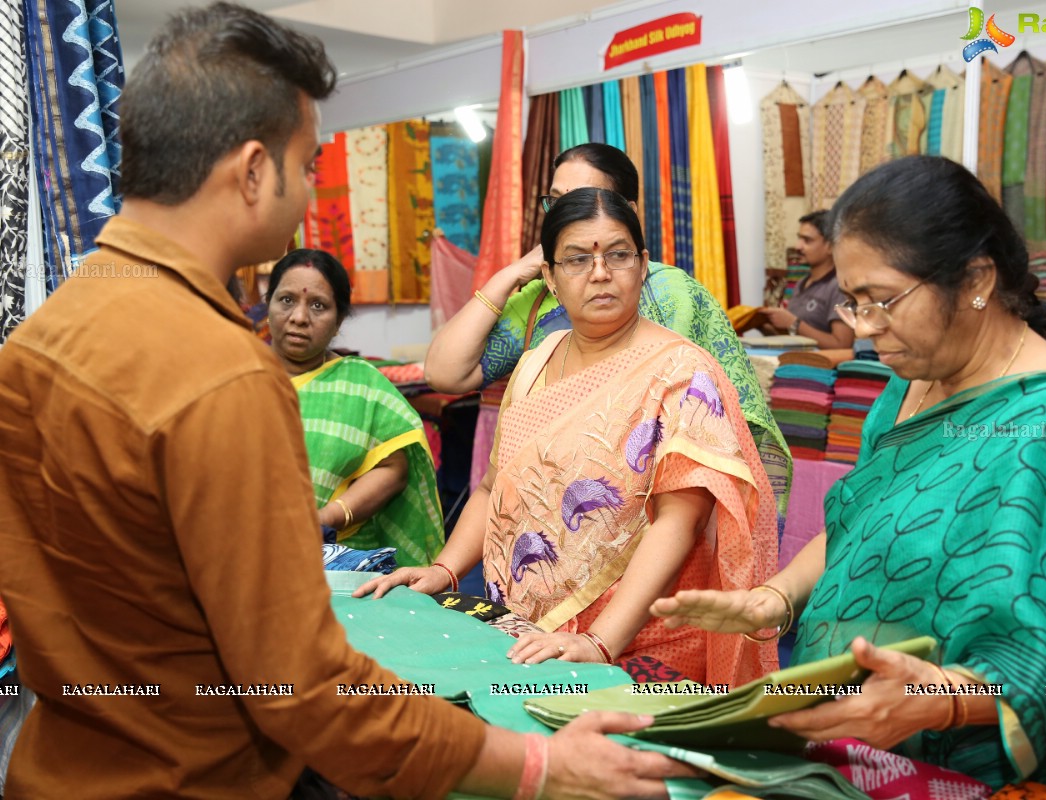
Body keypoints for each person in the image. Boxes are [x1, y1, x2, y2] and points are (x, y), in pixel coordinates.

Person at [0, 4, 692, 798]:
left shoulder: (43, 334)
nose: (306, 193)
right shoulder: (221, 375)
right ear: (253, 170)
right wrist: (538, 766)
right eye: (306, 165)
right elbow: (305, 690)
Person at [651, 156, 1046, 798]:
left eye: (883, 301)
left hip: (976, 771)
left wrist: (943, 703)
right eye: (853, 303)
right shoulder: (910, 388)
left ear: (977, 280)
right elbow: (861, 528)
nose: (866, 330)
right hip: (855, 744)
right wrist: (774, 598)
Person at [359, 188, 780, 686]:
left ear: (643, 265)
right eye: (577, 259)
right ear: (551, 279)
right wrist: (445, 570)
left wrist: (600, 641)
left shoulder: (681, 372)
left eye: (618, 255)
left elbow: (678, 524)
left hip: (637, 642)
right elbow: (496, 487)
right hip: (523, 634)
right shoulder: (538, 358)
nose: (600, 273)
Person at [424, 143, 793, 531]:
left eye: (583, 199)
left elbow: (696, 426)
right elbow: (446, 374)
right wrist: (514, 273)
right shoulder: (539, 299)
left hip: (655, 514)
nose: (566, 213)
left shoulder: (672, 293)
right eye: (556, 201)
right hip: (555, 517)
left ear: (626, 212)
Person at [266, 248, 442, 567]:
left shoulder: (361, 384)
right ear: (268, 305)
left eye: (318, 305)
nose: (299, 317)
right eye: (287, 300)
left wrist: (328, 518)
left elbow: (394, 469)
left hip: (337, 560)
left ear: (339, 321)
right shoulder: (236, 376)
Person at [755, 210, 854, 349]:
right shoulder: (802, 283)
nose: (798, 246)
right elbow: (795, 339)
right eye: (799, 239)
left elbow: (842, 345)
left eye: (807, 241)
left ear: (830, 246)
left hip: (821, 368)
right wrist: (762, 325)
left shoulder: (839, 287)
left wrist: (794, 323)